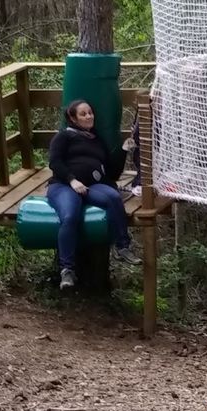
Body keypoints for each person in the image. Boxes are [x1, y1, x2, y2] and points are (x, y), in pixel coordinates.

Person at [47, 99, 142, 290]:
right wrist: (72, 180)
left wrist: (124, 151)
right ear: (72, 118)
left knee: (113, 197)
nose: (89, 116)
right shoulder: (64, 137)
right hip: (64, 185)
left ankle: (123, 246)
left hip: (93, 186)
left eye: (90, 112)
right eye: (83, 114)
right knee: (70, 215)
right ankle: (67, 270)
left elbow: (112, 173)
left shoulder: (96, 139)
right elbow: (55, 163)